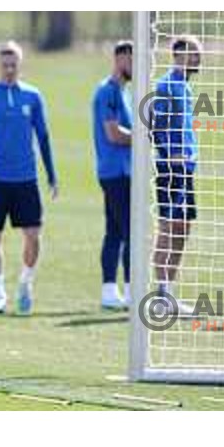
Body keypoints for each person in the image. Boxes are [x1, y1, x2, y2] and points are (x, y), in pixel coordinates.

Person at [0, 41, 58, 314]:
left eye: (13, 65)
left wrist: (52, 176)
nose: (9, 69)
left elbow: (43, 137)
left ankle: (25, 282)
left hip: (26, 179)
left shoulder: (32, 96)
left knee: (33, 236)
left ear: (20, 65)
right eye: (4, 65)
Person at [152, 36, 201, 315]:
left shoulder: (184, 87)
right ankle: (160, 297)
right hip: (171, 168)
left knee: (183, 229)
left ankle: (168, 294)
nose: (198, 58)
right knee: (168, 228)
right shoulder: (167, 86)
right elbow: (155, 126)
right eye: (193, 53)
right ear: (179, 55)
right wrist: (170, 154)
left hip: (186, 169)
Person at [92, 41, 133, 309]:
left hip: (121, 170)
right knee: (130, 230)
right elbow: (113, 133)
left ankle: (110, 291)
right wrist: (146, 137)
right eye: (131, 59)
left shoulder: (123, 92)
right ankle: (131, 290)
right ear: (119, 59)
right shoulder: (108, 92)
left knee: (115, 231)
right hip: (115, 171)